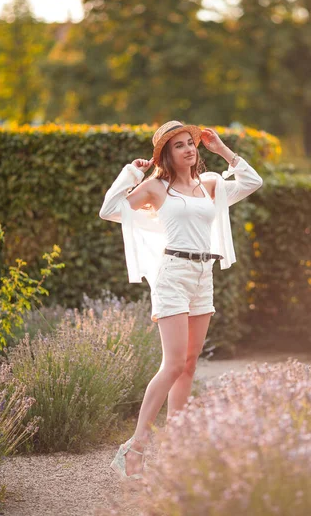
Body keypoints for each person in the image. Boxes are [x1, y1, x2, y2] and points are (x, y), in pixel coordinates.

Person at [99, 120, 263, 480]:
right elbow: (110, 210)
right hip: (172, 274)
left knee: (189, 364)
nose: (189, 149)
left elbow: (253, 182)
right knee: (172, 364)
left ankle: (174, 448)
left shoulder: (211, 184)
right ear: (167, 155)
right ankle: (135, 448)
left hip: (204, 277)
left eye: (191, 143)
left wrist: (222, 149)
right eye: (180, 146)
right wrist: (130, 173)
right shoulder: (156, 188)